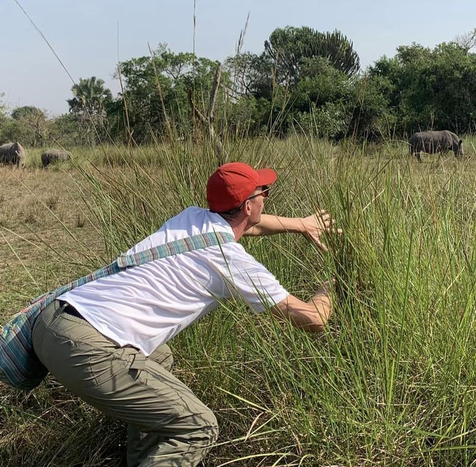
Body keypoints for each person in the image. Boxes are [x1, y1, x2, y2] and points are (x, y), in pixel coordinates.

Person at [32, 162, 339, 467]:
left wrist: (302, 224)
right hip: (87, 349)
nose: (266, 198)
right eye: (264, 192)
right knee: (198, 426)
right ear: (248, 205)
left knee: (159, 357)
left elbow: (252, 225)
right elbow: (313, 319)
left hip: (51, 321)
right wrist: (330, 286)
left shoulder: (190, 218)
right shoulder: (231, 261)